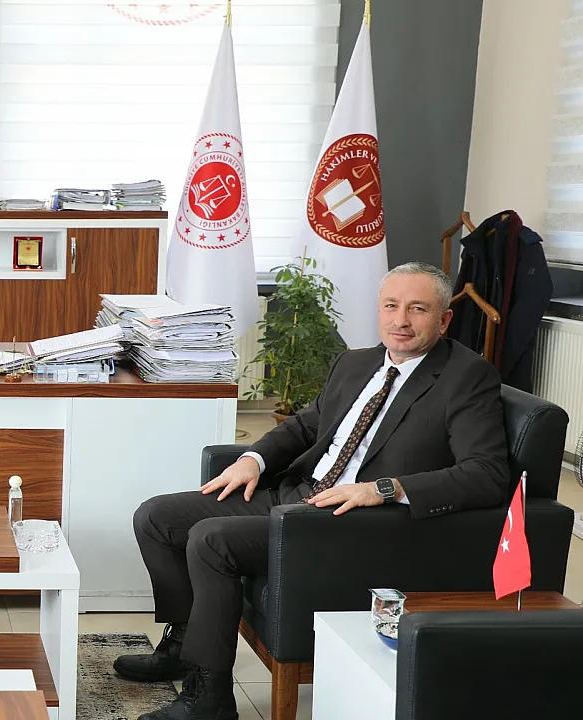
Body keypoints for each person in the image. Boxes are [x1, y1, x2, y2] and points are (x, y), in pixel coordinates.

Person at [117, 262, 510, 720]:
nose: (400, 320)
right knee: (156, 518)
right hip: (300, 493)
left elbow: (487, 473)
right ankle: (184, 648)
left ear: (444, 320)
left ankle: (209, 698)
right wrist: (253, 459)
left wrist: (385, 489)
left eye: (417, 309)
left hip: (352, 521)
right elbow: (305, 426)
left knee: (211, 540)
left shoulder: (467, 377)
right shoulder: (356, 363)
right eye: (391, 306)